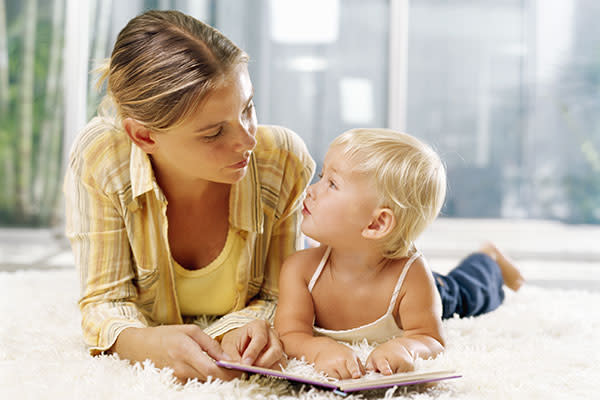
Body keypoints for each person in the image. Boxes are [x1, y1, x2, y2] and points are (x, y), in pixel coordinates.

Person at [63, 10, 315, 382]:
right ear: (144, 137)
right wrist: (145, 344)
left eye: (248, 109)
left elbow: (282, 295)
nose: (247, 140)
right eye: (214, 133)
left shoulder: (281, 160)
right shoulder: (103, 157)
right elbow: (105, 302)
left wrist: (241, 332)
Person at [274, 128, 524, 380]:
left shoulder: (412, 277)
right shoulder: (300, 270)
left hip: (432, 293)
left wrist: (405, 347)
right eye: (321, 176)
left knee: (467, 294)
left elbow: (430, 338)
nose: (311, 190)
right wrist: (318, 350)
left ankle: (489, 260)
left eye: (332, 184)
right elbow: (290, 333)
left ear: (376, 224)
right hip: (384, 268)